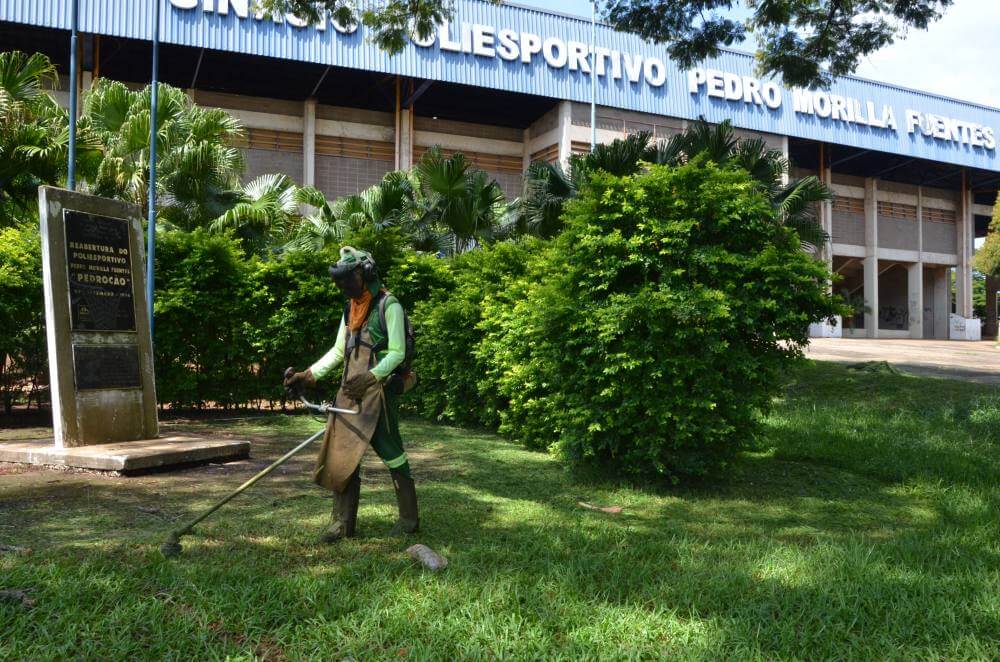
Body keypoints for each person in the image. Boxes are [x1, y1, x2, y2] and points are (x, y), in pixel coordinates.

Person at [283, 246, 417, 542]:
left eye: (348, 280)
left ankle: (409, 519)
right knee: (343, 457)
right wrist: (310, 374)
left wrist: (372, 376)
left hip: (378, 394)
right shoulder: (350, 308)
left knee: (391, 452)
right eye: (340, 282)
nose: (344, 287)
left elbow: (397, 352)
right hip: (349, 394)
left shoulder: (388, 305)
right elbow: (338, 351)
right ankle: (341, 524)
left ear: (365, 273)